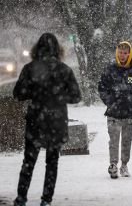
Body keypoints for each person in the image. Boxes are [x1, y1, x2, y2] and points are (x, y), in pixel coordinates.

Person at [13, 33, 81, 206]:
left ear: (37, 48)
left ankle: (21, 198)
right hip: (56, 122)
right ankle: (46, 199)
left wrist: (35, 94)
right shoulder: (64, 70)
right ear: (58, 49)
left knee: (28, 161)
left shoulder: (30, 69)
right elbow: (76, 96)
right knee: (52, 162)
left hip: (36, 120)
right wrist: (58, 97)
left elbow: (18, 94)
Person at [98, 41, 132, 179]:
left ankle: (124, 165)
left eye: (125, 53)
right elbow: (102, 88)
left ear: (129, 54)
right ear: (117, 53)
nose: (122, 55)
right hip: (113, 113)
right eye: (120, 52)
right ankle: (113, 164)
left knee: (127, 141)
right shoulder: (109, 70)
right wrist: (109, 101)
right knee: (114, 140)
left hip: (129, 113)